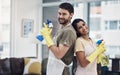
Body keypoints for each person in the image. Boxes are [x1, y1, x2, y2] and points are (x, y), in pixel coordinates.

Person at [40, 2, 77, 75]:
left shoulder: (68, 31)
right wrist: (48, 37)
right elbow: (52, 49)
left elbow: (59, 54)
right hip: (55, 67)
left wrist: (47, 38)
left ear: (71, 15)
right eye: (59, 13)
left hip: (61, 70)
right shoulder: (62, 29)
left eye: (64, 14)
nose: (60, 16)